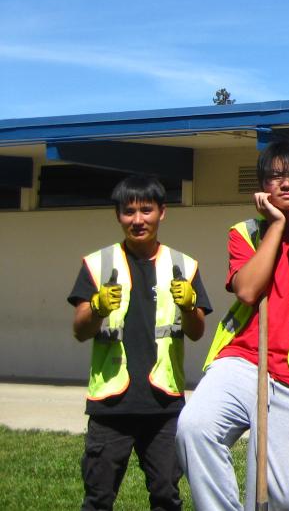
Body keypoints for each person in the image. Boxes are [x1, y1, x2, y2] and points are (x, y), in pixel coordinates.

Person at [177, 137, 289, 511]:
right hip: (242, 360)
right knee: (195, 428)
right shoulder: (244, 232)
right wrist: (276, 225)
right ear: (261, 188)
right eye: (274, 177)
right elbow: (247, 291)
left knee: (287, 497)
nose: (286, 184)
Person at [68, 174, 212, 511]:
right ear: (118, 215)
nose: (137, 220)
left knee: (166, 495)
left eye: (145, 210)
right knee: (98, 498)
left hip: (163, 404)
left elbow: (196, 331)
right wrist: (98, 307)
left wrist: (190, 304)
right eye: (128, 211)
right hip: (110, 404)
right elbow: (80, 330)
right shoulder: (98, 263)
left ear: (162, 212)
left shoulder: (183, 265)